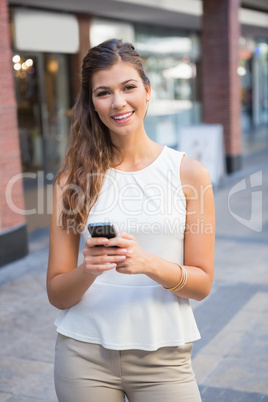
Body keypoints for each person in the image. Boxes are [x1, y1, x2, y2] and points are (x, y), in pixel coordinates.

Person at [47, 38, 215, 402]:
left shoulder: (189, 173)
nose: (118, 102)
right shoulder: (71, 180)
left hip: (164, 358)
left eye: (128, 87)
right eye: (103, 92)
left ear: (148, 91)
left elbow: (201, 284)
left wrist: (149, 263)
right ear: (92, 103)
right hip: (83, 355)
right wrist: (88, 269)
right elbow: (57, 294)